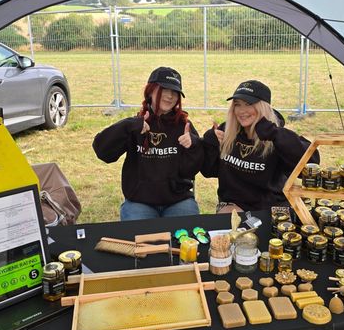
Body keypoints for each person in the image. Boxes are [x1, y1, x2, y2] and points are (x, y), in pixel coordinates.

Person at [93, 67, 203, 220]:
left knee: (186, 239)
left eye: (175, 92)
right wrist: (129, 127)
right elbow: (102, 152)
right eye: (164, 89)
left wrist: (194, 146)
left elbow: (191, 170)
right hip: (140, 201)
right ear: (150, 90)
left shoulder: (183, 127)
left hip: (177, 201)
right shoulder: (134, 125)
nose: (170, 96)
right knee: (141, 240)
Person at [202, 80, 319, 213]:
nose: (242, 111)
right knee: (229, 215)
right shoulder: (226, 131)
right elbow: (208, 171)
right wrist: (209, 143)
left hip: (271, 207)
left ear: (263, 107)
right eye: (237, 105)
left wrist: (275, 135)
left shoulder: (277, 134)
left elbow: (312, 163)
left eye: (248, 104)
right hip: (234, 205)